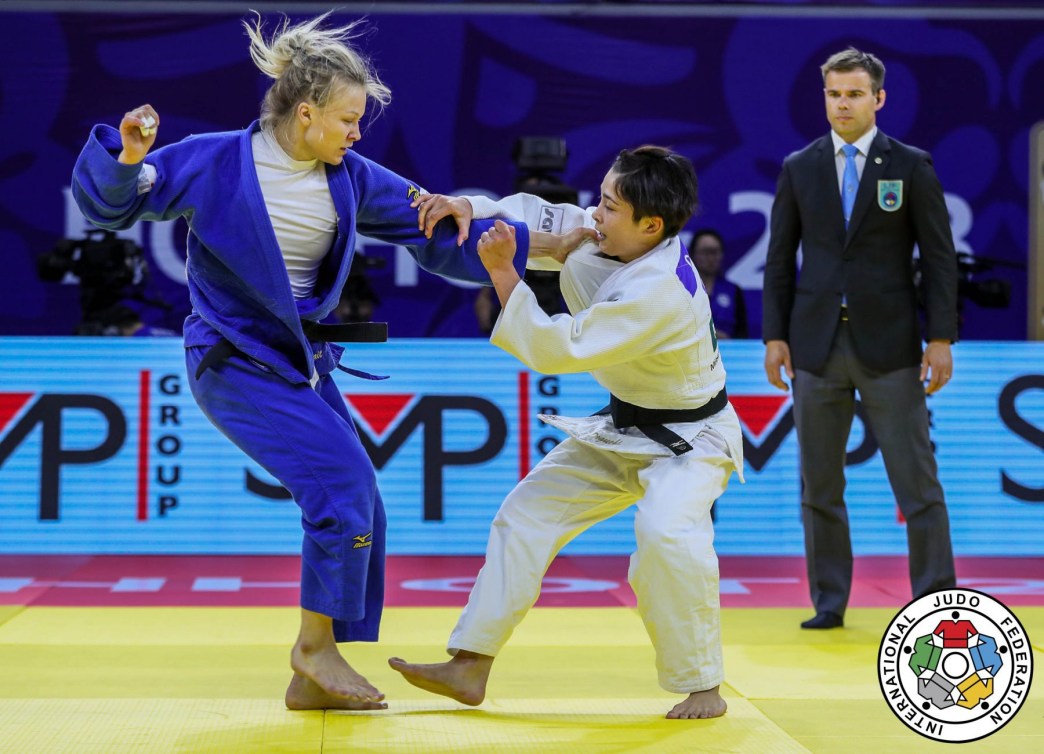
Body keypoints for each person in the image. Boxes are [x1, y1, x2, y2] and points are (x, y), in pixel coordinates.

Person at [70, 12, 546, 711]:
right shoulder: (212, 159)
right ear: (305, 112)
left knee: (364, 503)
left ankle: (310, 677)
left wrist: (550, 249)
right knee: (343, 482)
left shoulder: (352, 176)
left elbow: (436, 233)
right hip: (231, 358)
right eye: (349, 119)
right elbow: (110, 209)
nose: (358, 133)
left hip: (299, 363)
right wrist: (130, 157)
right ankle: (314, 648)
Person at [389, 146, 744, 719]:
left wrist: (505, 271)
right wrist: (466, 205)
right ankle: (470, 664)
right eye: (599, 199)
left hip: (692, 440)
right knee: (527, 512)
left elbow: (558, 347)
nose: (593, 214)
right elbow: (531, 213)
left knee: (667, 534)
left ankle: (703, 683)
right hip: (624, 423)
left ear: (651, 225)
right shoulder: (606, 233)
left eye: (609, 206)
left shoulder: (660, 290)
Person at [762, 48, 959, 630]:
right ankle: (829, 600)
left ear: (878, 98)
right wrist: (775, 336)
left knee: (916, 482)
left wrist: (941, 337)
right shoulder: (800, 166)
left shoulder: (911, 165)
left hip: (891, 346)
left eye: (853, 94)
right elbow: (779, 262)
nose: (842, 104)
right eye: (833, 94)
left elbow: (940, 258)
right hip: (815, 345)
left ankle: (936, 601)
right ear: (823, 97)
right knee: (819, 484)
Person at [689, 229, 748, 339]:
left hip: (728, 352)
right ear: (692, 255)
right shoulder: (681, 290)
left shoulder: (734, 291)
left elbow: (742, 333)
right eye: (705, 252)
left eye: (715, 252)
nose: (711, 258)